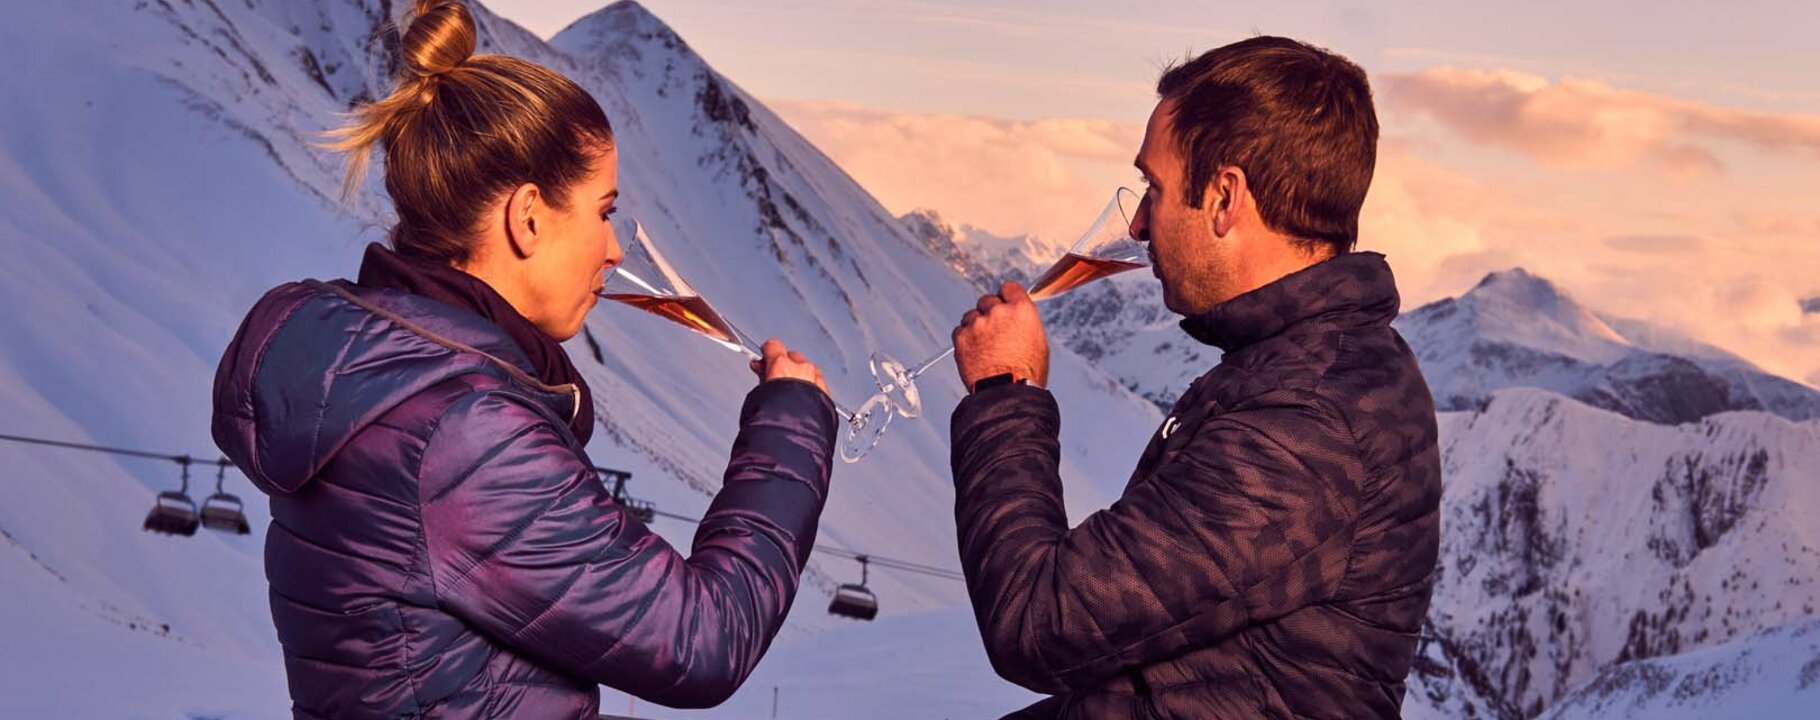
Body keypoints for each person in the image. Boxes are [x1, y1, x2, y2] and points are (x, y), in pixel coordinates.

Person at [209, 2, 836, 717]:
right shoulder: (462, 428)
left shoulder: (379, 380)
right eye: (604, 211)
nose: (615, 250)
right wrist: (790, 426)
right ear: (529, 216)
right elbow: (701, 640)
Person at [948, 36, 1442, 719]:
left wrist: (1004, 392)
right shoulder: (1302, 370)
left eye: (1153, 187)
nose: (1137, 223)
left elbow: (1037, 620)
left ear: (1223, 197)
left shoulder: (1307, 421)